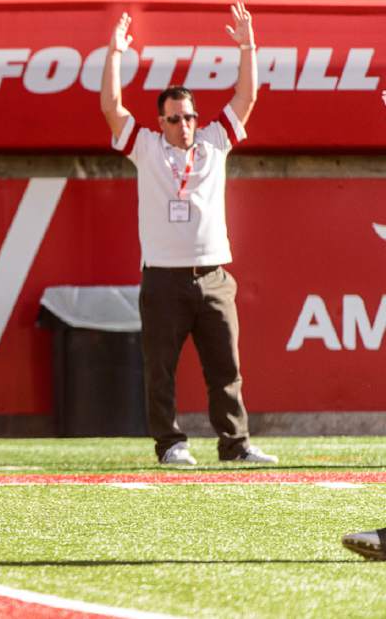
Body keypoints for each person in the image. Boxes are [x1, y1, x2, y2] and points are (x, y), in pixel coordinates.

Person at [100, 2, 277, 465]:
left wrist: (247, 44)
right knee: (161, 369)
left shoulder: (215, 142)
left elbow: (247, 97)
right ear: (160, 122)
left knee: (226, 368)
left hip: (214, 274)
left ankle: (234, 444)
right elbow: (111, 108)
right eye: (175, 118)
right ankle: (170, 443)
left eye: (190, 116)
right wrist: (115, 53)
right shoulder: (145, 146)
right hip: (163, 278)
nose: (185, 125)